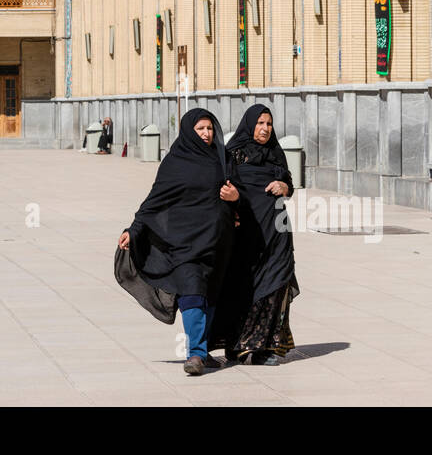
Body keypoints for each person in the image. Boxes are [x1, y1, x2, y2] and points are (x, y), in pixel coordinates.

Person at [116, 108, 238, 376]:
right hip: (183, 240)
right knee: (192, 292)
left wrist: (235, 196)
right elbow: (155, 199)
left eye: (210, 129)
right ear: (188, 131)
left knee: (211, 295)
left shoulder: (222, 157)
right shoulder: (175, 162)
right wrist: (134, 229)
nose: (207, 134)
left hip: (217, 240)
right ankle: (195, 354)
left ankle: (203, 351)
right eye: (201, 129)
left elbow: (237, 190)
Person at [212, 104, 299, 366]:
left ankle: (265, 348)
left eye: (269, 124)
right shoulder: (233, 154)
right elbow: (221, 190)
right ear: (250, 124)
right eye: (260, 123)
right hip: (246, 233)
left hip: (277, 231)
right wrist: (235, 200)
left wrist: (285, 186)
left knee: (276, 284)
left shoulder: (275, 152)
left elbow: (289, 185)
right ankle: (237, 345)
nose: (264, 129)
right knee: (243, 286)